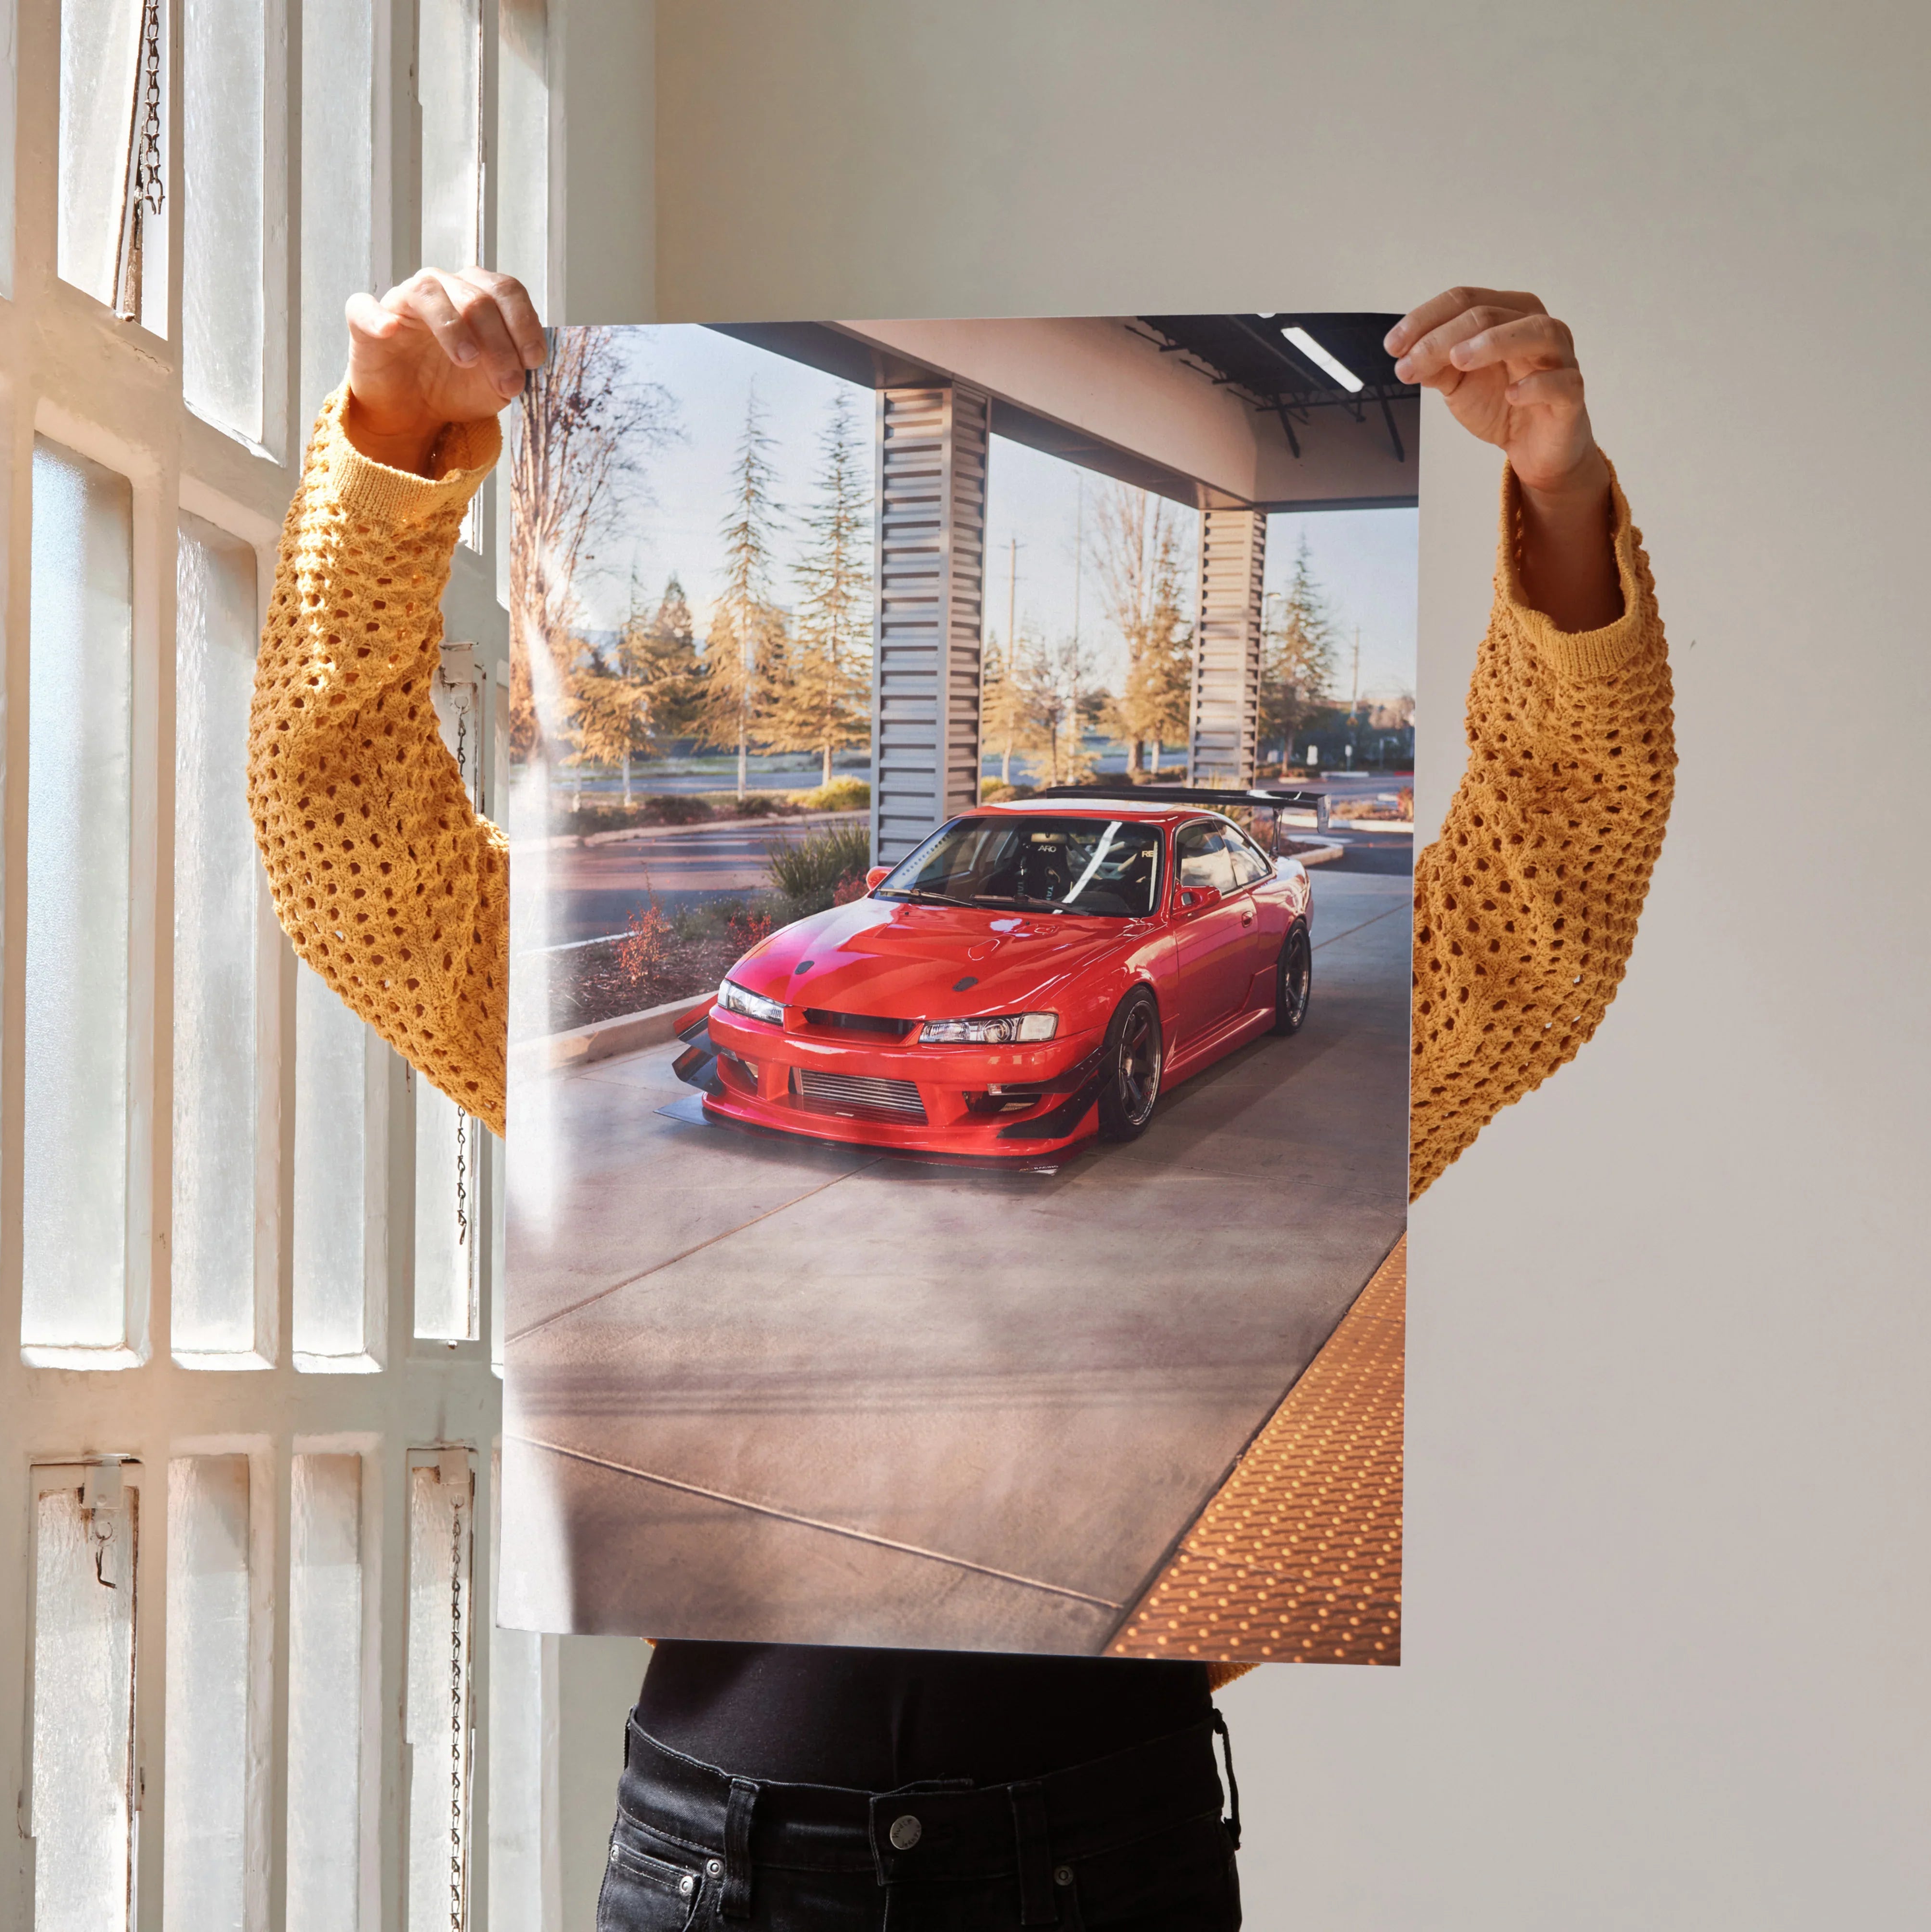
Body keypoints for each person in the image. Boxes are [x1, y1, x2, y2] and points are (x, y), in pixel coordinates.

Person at [248, 270, 1674, 1929]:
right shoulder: (792, 984)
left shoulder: (1262, 1014)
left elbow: (1544, 903)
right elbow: (351, 850)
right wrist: (390, 445)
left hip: (1099, 1854)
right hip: (724, 1865)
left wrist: (1559, 496)